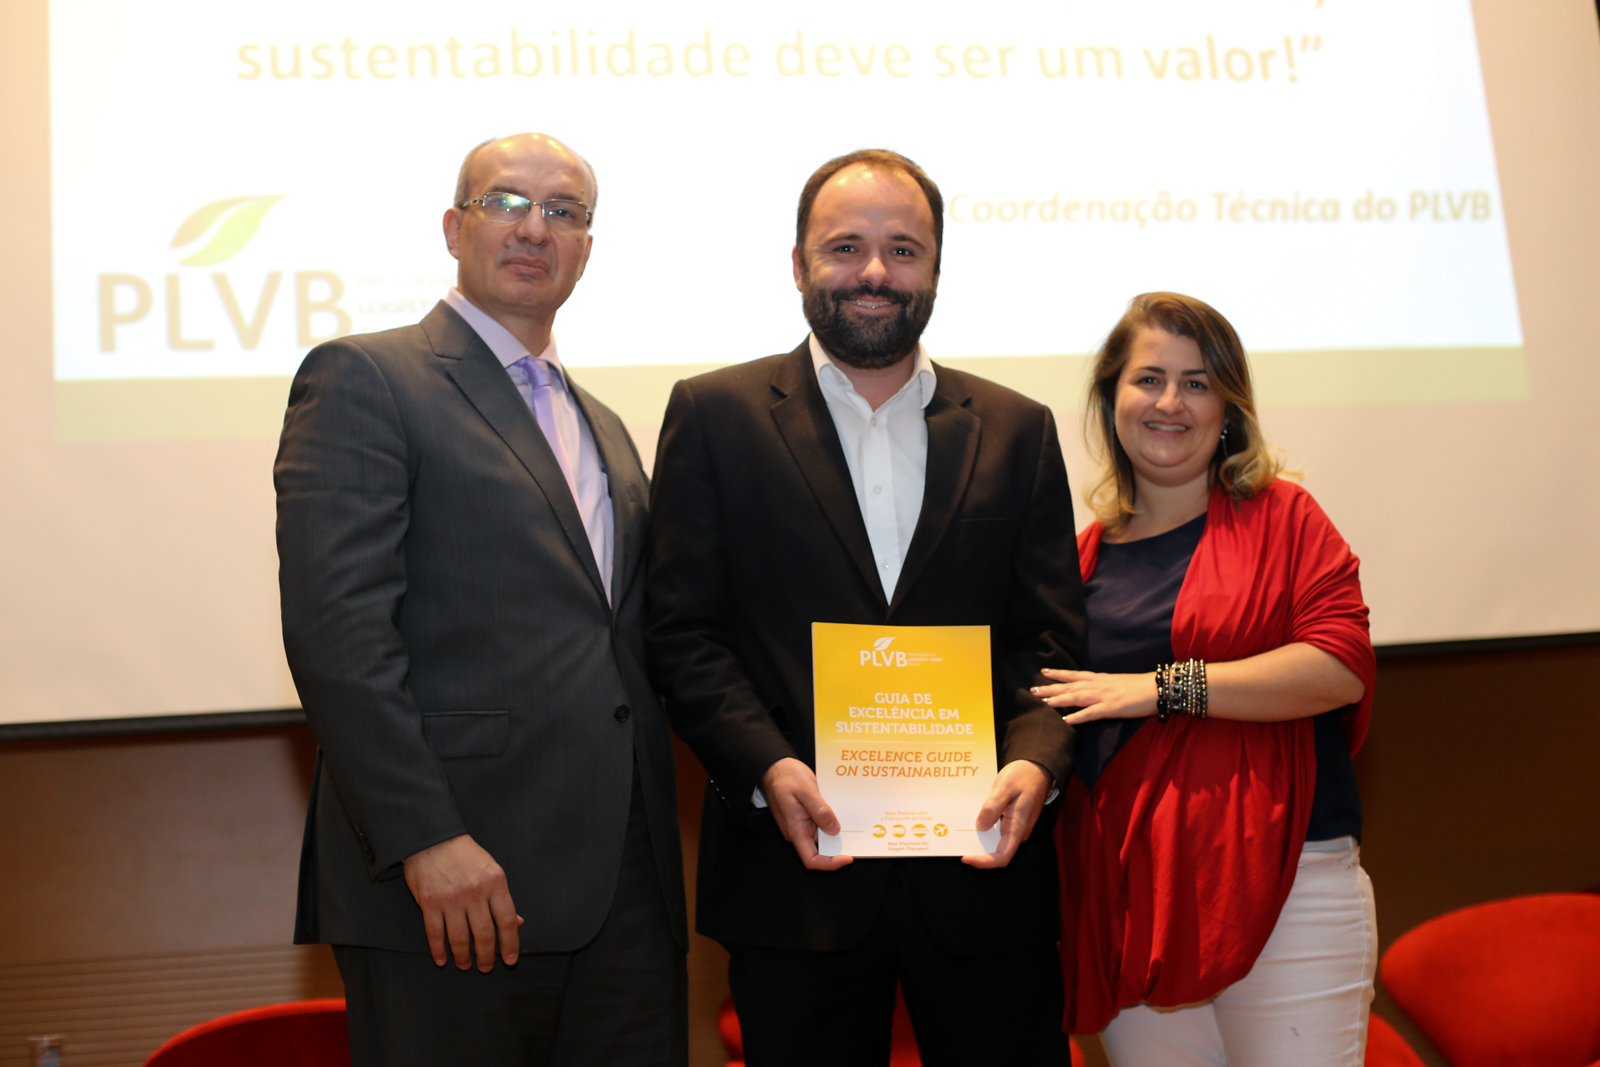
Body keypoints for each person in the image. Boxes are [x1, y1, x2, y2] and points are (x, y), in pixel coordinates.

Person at [646, 148, 1084, 1067]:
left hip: (986, 875)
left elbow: (1050, 638)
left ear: (936, 268)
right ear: (798, 263)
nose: (875, 271)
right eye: (846, 246)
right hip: (794, 876)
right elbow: (684, 631)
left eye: (903, 249)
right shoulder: (715, 415)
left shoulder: (1019, 428)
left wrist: (1036, 761)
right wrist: (766, 766)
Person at [275, 133, 687, 1066]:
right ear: (453, 228)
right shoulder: (366, 377)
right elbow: (339, 633)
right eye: (505, 202)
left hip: (625, 890)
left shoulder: (603, 424)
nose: (534, 228)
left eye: (563, 211)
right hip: (451, 881)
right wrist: (426, 838)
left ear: (586, 248)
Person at [1034, 292, 1378, 1066]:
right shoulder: (1078, 558)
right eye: (1148, 378)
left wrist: (1161, 689)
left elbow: (1339, 665)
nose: (1170, 402)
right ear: (1111, 398)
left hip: (1291, 887)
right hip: (1139, 899)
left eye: (1197, 383)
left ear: (1227, 408)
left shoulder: (1285, 517)